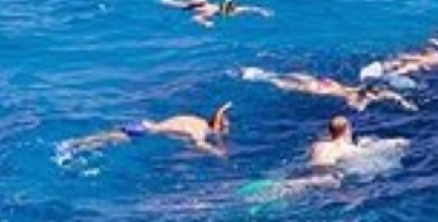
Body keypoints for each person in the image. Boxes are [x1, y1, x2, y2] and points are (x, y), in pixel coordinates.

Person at [63, 103, 233, 157]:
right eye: (225, 128)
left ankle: (73, 143)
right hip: (144, 132)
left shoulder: (195, 120)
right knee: (104, 143)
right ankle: (72, 149)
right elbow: (198, 143)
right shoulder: (200, 130)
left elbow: (177, 132)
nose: (225, 130)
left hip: (143, 124)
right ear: (216, 126)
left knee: (104, 137)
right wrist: (217, 153)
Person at [242, 66, 417, 111]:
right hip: (323, 89)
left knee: (302, 79)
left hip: (330, 84)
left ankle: (265, 74)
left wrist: (404, 102)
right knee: (287, 85)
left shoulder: (359, 90)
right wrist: (361, 107)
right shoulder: (358, 96)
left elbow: (391, 95)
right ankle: (260, 76)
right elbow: (353, 105)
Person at [160, 0, 271, 27]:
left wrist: (261, 11)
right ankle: (166, 0)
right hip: (196, 6)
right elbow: (196, 17)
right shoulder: (211, 13)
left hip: (203, 3)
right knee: (178, 5)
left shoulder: (235, 10)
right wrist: (205, 23)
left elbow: (248, 8)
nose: (232, 14)